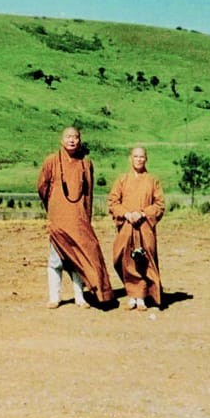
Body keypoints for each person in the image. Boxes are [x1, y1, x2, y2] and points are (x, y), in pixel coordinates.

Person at [37, 127, 115, 309]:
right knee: (56, 258)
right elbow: (42, 187)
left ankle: (80, 296)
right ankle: (54, 297)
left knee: (79, 257)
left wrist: (86, 215)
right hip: (59, 219)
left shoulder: (85, 164)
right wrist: (54, 206)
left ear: (80, 140)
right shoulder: (51, 161)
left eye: (75, 137)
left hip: (79, 219)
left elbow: (88, 193)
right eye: (68, 137)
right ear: (61, 139)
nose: (72, 140)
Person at [107, 147, 165, 311]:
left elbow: (159, 205)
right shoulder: (122, 179)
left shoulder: (153, 180)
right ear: (130, 159)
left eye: (142, 157)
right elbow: (113, 202)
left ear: (146, 159)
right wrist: (126, 214)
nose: (139, 159)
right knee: (123, 259)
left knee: (144, 260)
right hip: (126, 226)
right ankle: (131, 294)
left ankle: (141, 298)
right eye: (136, 156)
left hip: (145, 226)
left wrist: (142, 213)